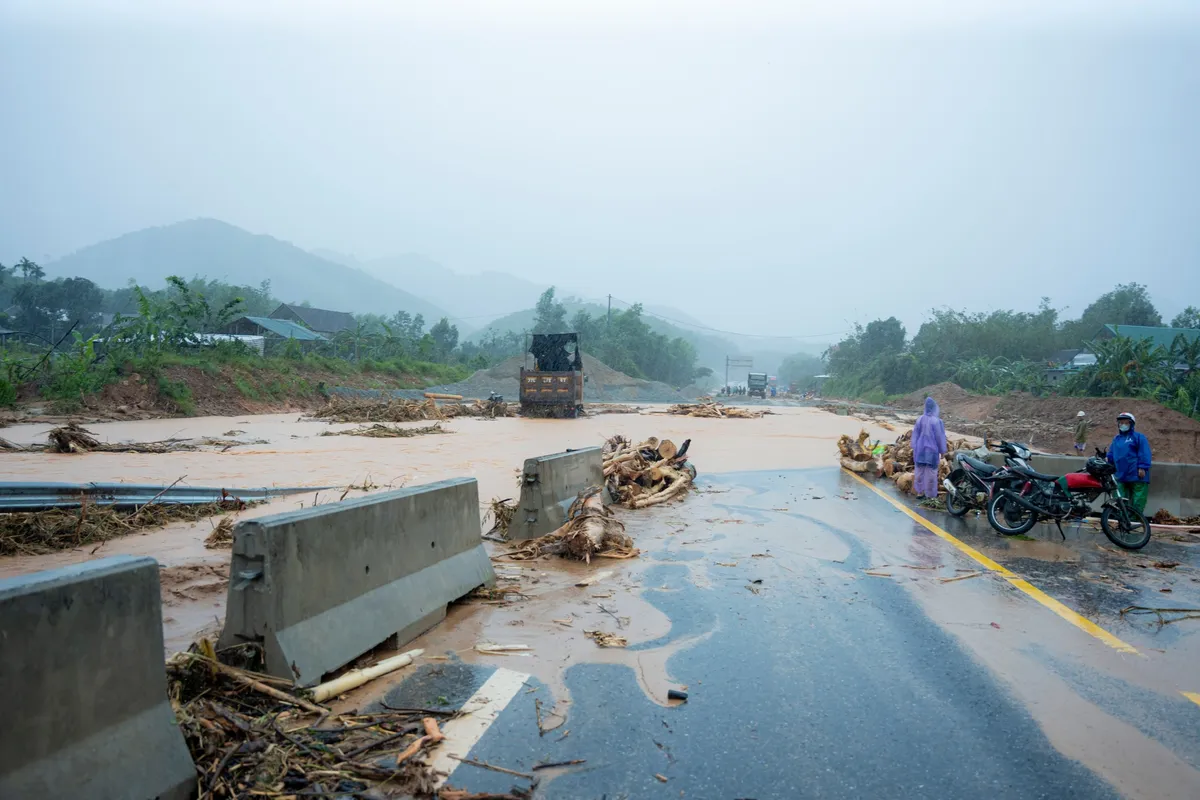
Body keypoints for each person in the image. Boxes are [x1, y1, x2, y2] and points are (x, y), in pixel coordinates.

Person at [1107, 412, 1152, 513]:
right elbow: (1111, 453)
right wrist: (1108, 459)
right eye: (1121, 422)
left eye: (1126, 422)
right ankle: (1123, 519)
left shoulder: (1139, 437)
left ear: (1131, 424)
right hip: (1120, 474)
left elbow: (1144, 452)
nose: (1123, 424)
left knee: (1138, 498)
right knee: (1120, 498)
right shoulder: (1116, 439)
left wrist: (1143, 467)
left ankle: (1136, 519)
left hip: (1136, 473)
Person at [911, 397, 947, 499]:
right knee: (931, 473)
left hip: (920, 450)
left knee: (919, 471)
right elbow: (940, 437)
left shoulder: (919, 419)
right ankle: (930, 494)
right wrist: (942, 451)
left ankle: (920, 491)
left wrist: (914, 447)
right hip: (932, 451)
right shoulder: (937, 421)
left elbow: (915, 435)